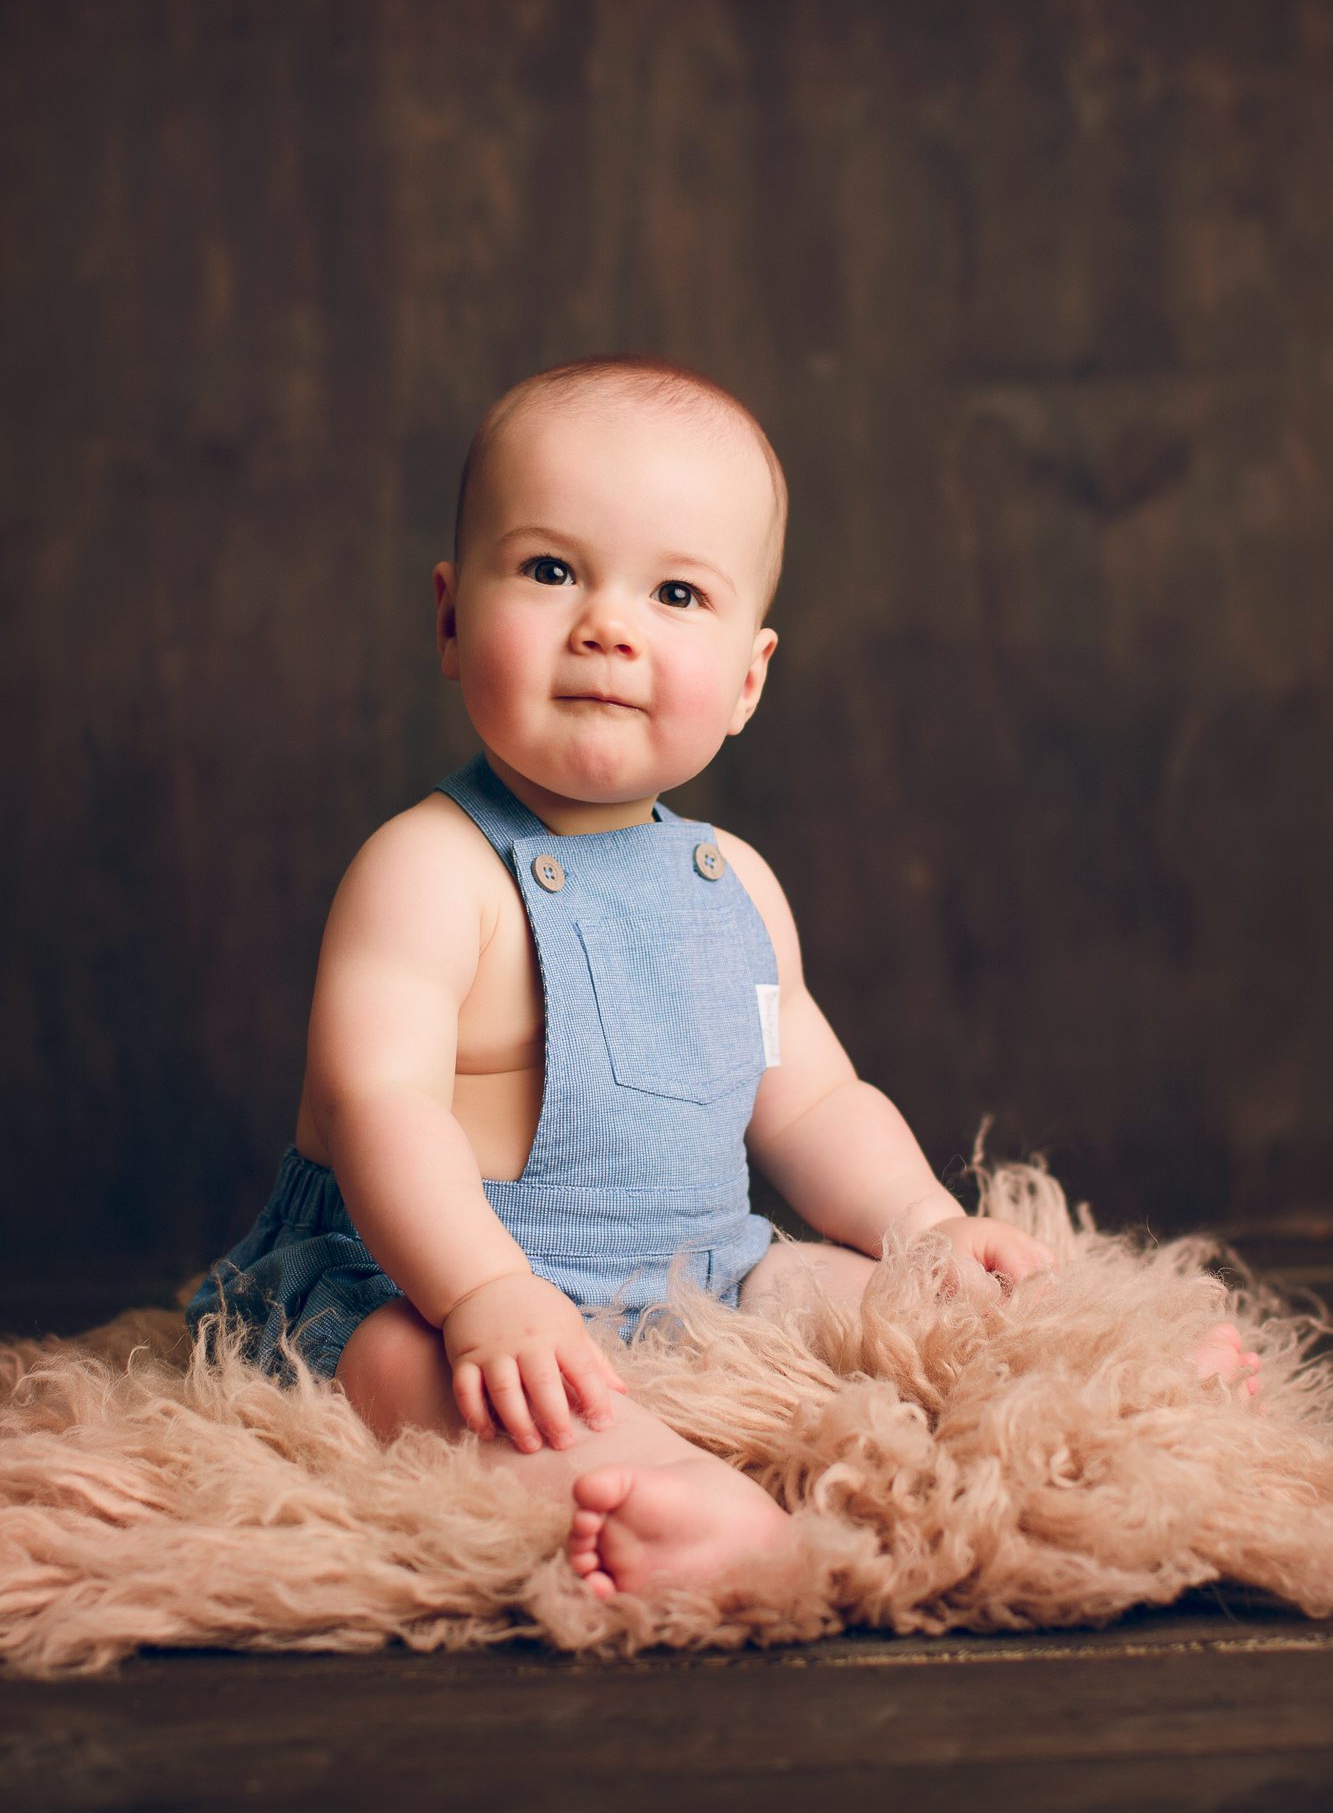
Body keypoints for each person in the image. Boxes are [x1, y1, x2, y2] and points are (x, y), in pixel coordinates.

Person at [187, 353, 1257, 1601]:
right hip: (418, 1272)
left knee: (864, 1295)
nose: (606, 624)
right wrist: (485, 1290)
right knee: (436, 1380)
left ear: (747, 678)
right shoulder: (427, 867)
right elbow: (383, 1109)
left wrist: (918, 1222)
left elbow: (805, 1101)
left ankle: (1102, 1382)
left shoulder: (729, 881)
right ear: (447, 615)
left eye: (676, 591)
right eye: (548, 570)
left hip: (691, 1257)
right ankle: (660, 1493)